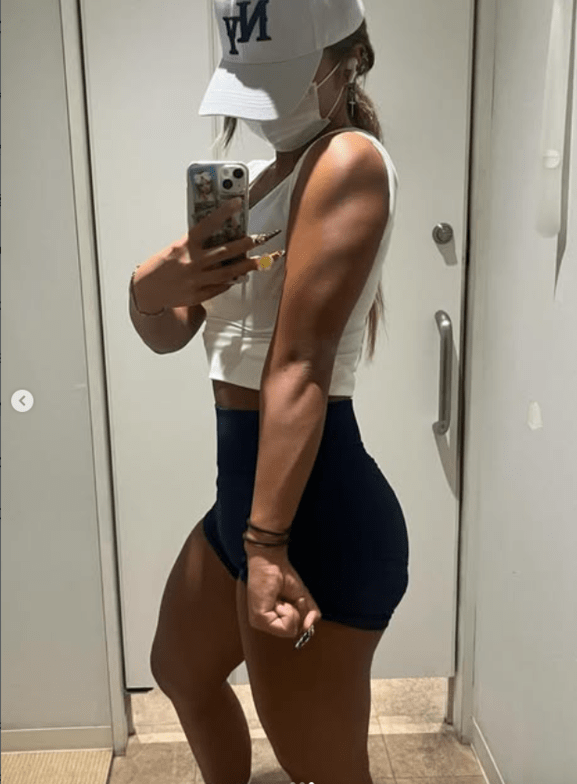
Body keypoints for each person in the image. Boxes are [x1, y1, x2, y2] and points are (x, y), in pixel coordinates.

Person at [130, 1, 409, 783]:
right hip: (251, 503)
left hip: (310, 516)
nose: (263, 107)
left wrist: (266, 547)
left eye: (281, 79)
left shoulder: (348, 161)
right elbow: (173, 334)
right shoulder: (247, 187)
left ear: (349, 60)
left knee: (323, 770)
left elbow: (299, 365)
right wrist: (148, 289)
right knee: (181, 669)